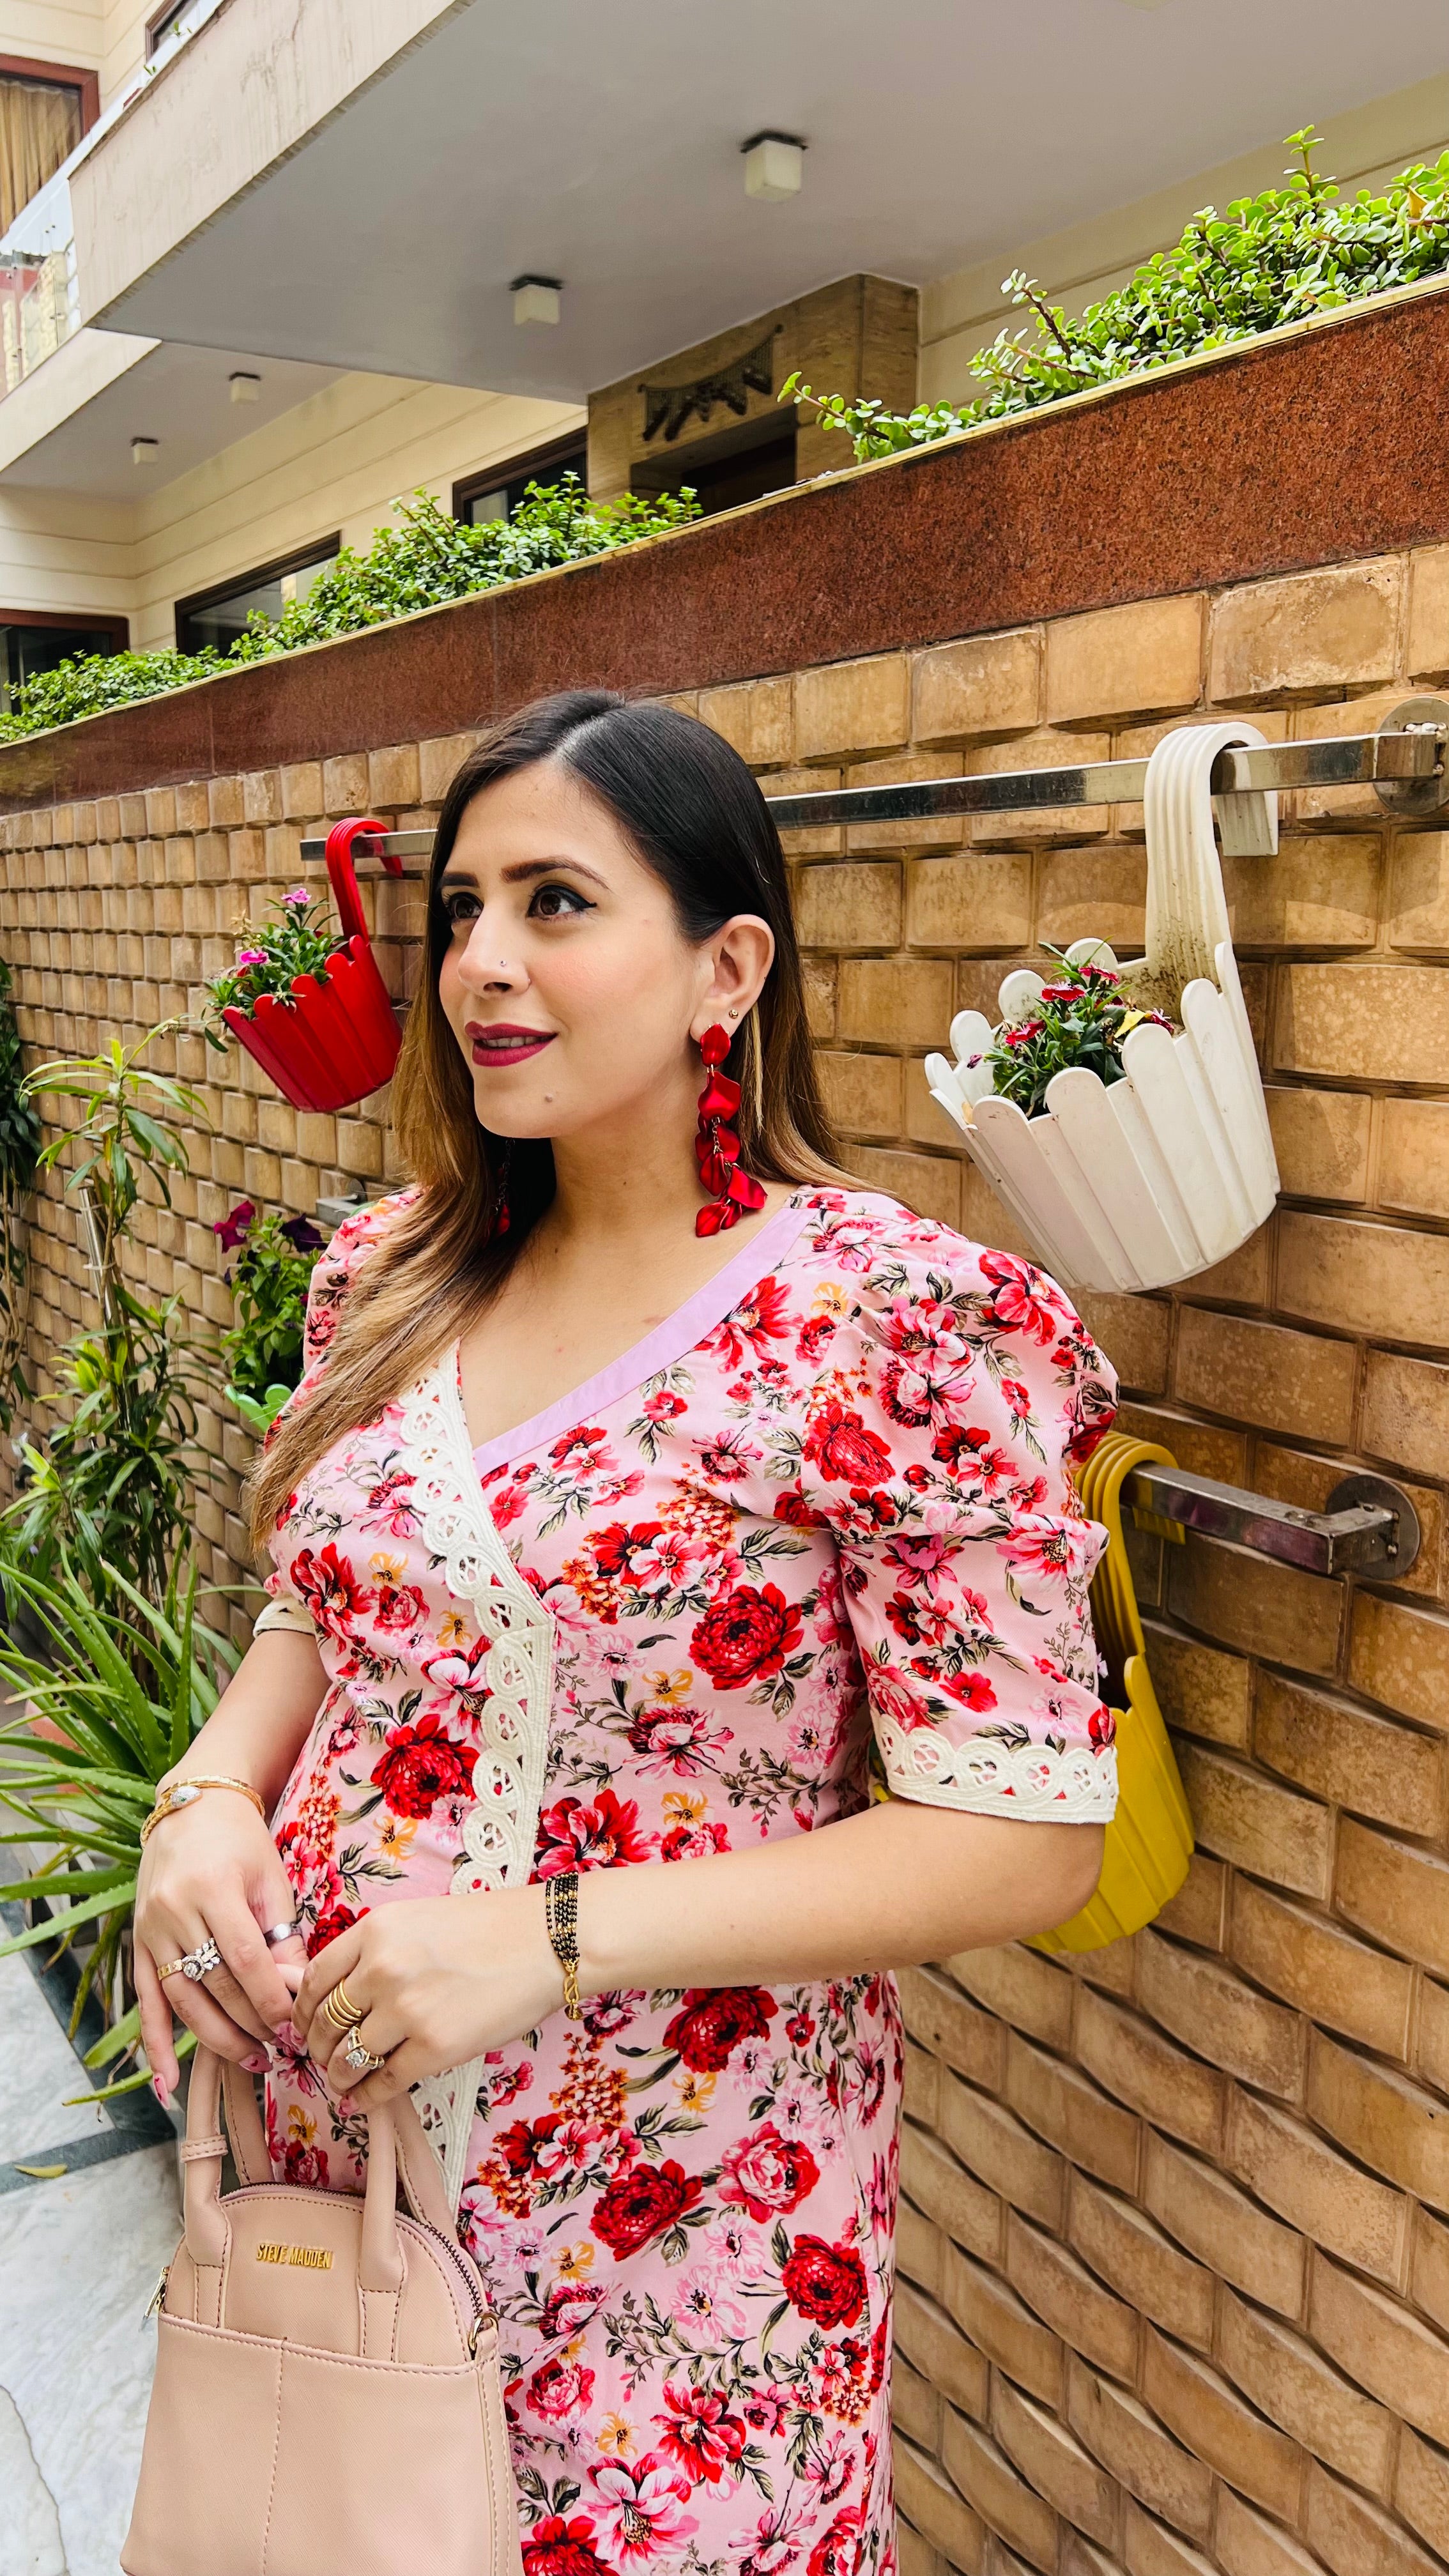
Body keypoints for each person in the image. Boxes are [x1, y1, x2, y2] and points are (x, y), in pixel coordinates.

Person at [134, 690, 1118, 2576]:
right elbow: (331, 1608)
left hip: (671, 2223)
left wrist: (547, 1938)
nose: (482, 966)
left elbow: (1019, 1832)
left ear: (722, 966)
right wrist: (201, 1804)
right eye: (460, 911)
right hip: (331, 2167)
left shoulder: (893, 1323)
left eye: (557, 904)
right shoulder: (397, 1270)